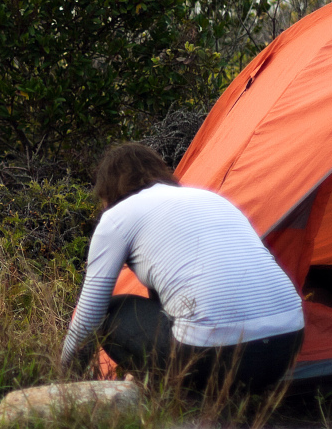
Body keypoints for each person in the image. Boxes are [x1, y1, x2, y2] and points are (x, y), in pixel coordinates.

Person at [60, 143, 305, 395]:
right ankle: (235, 398)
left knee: (110, 311)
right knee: (165, 299)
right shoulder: (212, 198)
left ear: (107, 190)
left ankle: (172, 398)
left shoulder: (118, 217)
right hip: (287, 347)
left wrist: (62, 377)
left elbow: (89, 314)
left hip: (211, 360)